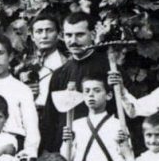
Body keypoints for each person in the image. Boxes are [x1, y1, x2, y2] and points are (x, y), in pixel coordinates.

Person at [39, 12, 114, 153]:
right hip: (67, 150)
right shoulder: (59, 74)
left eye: (80, 35)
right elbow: (51, 119)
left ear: (92, 35)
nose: (73, 41)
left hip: (101, 147)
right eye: (68, 35)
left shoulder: (108, 69)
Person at [22, 12, 66, 110]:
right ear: (32, 37)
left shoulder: (67, 63)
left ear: (58, 34)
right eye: (39, 31)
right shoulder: (24, 64)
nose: (44, 36)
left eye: (49, 30)